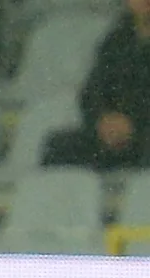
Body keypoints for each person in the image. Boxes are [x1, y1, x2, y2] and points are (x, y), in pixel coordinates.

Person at [43, 0, 150, 171]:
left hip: (143, 133)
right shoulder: (118, 37)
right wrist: (102, 120)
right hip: (112, 133)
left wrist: (134, 124)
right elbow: (92, 90)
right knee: (58, 146)